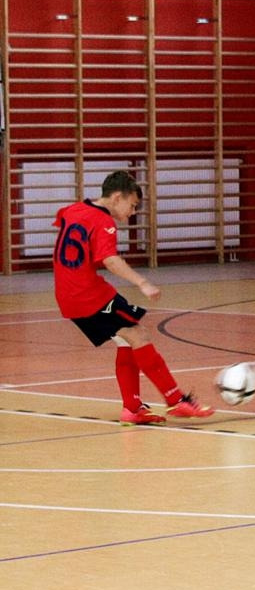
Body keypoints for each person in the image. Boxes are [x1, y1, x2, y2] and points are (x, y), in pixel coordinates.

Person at [52, 170, 213, 425]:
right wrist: (142, 282)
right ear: (117, 197)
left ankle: (132, 408)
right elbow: (110, 260)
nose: (133, 212)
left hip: (68, 293)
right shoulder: (104, 221)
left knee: (126, 340)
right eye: (133, 205)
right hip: (87, 294)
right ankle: (176, 400)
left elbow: (63, 222)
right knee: (138, 335)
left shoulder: (74, 209)